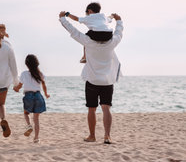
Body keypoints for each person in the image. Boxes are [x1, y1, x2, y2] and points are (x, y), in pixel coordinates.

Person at [59, 11, 123, 144]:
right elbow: (119, 32)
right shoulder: (112, 42)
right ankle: (107, 136)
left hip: (92, 81)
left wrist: (62, 19)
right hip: (107, 81)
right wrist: (119, 20)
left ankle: (92, 136)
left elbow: (73, 31)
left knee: (92, 109)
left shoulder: (88, 42)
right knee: (106, 108)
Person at [13, 54, 50, 143]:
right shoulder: (40, 74)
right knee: (36, 119)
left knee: (26, 113)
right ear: (37, 63)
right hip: (38, 96)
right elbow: (44, 85)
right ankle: (36, 138)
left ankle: (29, 125)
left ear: (26, 64)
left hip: (28, 96)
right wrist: (46, 94)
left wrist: (16, 88)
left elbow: (20, 85)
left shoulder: (24, 74)